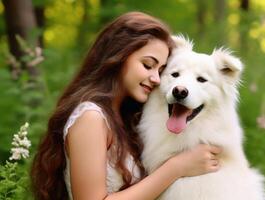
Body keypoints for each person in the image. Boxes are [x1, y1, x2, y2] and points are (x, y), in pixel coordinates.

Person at [31, 11, 222, 200]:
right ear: (119, 56)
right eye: (148, 65)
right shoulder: (90, 117)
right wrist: (176, 168)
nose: (155, 78)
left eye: (161, 70)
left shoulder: (127, 117)